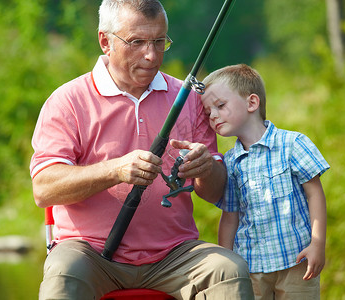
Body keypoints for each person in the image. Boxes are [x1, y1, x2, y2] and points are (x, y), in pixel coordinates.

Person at [30, 1, 253, 299]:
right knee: (63, 275)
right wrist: (116, 170)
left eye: (159, 42)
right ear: (105, 41)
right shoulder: (67, 101)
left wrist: (207, 168)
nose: (151, 55)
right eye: (137, 42)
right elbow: (44, 188)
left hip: (175, 254)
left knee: (229, 269)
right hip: (89, 253)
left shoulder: (188, 99)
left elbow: (214, 192)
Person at [201, 64, 330, 300]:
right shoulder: (230, 162)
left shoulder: (292, 144)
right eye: (208, 112)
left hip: (296, 262)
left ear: (252, 103)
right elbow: (230, 216)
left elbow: (315, 194)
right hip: (252, 266)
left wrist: (317, 243)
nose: (213, 116)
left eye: (220, 106)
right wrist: (227, 262)